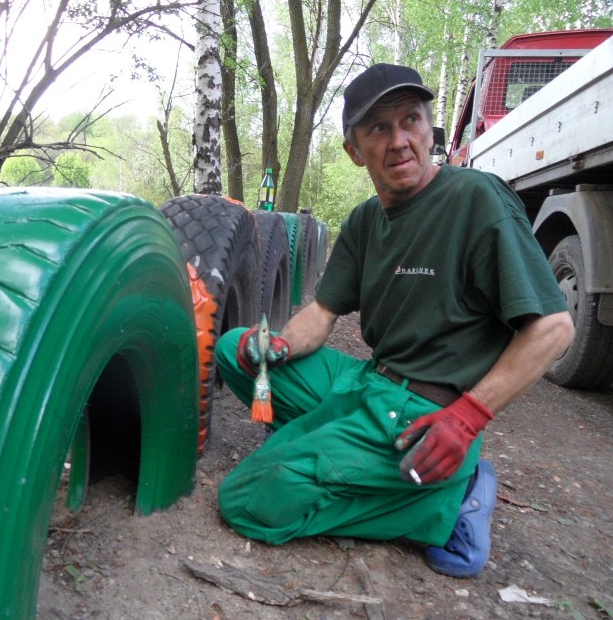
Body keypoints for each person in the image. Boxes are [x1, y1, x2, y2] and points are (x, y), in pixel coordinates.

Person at [214, 63, 575, 578]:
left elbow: (555, 328)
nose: (400, 140)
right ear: (354, 151)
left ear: (431, 131)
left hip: (426, 415)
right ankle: (357, 465)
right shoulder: (365, 220)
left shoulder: (476, 198)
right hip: (370, 382)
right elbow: (320, 314)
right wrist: (276, 344)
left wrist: (468, 416)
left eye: (411, 120)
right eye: (378, 128)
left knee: (247, 498)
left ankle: (442, 507)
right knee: (235, 349)